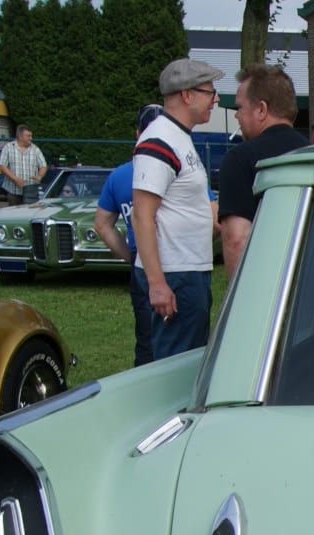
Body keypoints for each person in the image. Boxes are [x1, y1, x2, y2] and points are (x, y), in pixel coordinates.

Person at [133, 58, 223, 360]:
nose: (216, 99)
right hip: (176, 273)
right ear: (187, 94)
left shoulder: (179, 137)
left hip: (187, 270)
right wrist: (158, 284)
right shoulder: (160, 139)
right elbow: (142, 214)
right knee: (177, 366)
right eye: (209, 92)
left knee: (190, 360)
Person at [218, 64, 308, 275]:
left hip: (267, 284)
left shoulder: (239, 159)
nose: (236, 116)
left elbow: (236, 239)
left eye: (239, 107)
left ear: (261, 109)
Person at [95, 104, 165, 366]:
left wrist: (130, 255)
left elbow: (102, 224)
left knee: (146, 337)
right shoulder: (179, 169)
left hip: (141, 262)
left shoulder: (119, 176)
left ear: (138, 133)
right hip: (176, 259)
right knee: (182, 338)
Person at [0, 126, 47, 204]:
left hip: (31, 191)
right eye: (28, 136)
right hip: (13, 190)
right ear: (20, 137)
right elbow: (2, 166)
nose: (30, 138)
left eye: (31, 136)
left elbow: (43, 165)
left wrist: (40, 175)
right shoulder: (8, 148)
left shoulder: (35, 149)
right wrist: (15, 179)